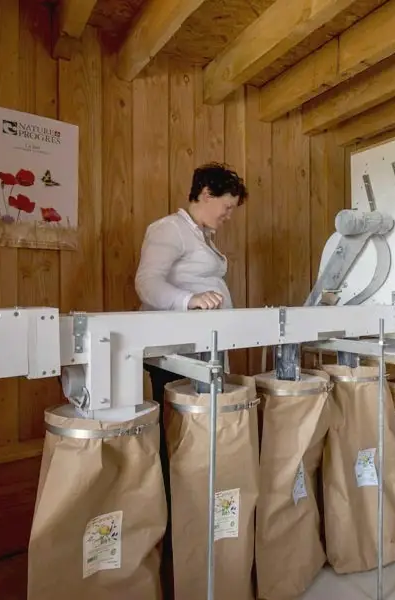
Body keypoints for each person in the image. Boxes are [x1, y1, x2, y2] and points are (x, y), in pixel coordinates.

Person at [134, 162, 248, 598]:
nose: (229, 215)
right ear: (204, 194)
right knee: (175, 443)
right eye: (226, 206)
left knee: (198, 441)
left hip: (201, 352)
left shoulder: (202, 237)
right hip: (172, 355)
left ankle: (197, 520)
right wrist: (189, 300)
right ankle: (171, 535)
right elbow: (147, 283)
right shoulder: (168, 230)